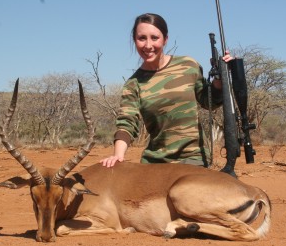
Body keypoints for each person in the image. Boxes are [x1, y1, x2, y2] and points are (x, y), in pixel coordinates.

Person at [100, 13, 233, 168]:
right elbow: (127, 123)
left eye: (154, 38)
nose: (148, 45)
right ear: (134, 41)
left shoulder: (188, 65)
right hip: (155, 162)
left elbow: (208, 101)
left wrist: (219, 81)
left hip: (193, 158)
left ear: (165, 39)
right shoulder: (133, 84)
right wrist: (118, 155)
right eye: (142, 38)